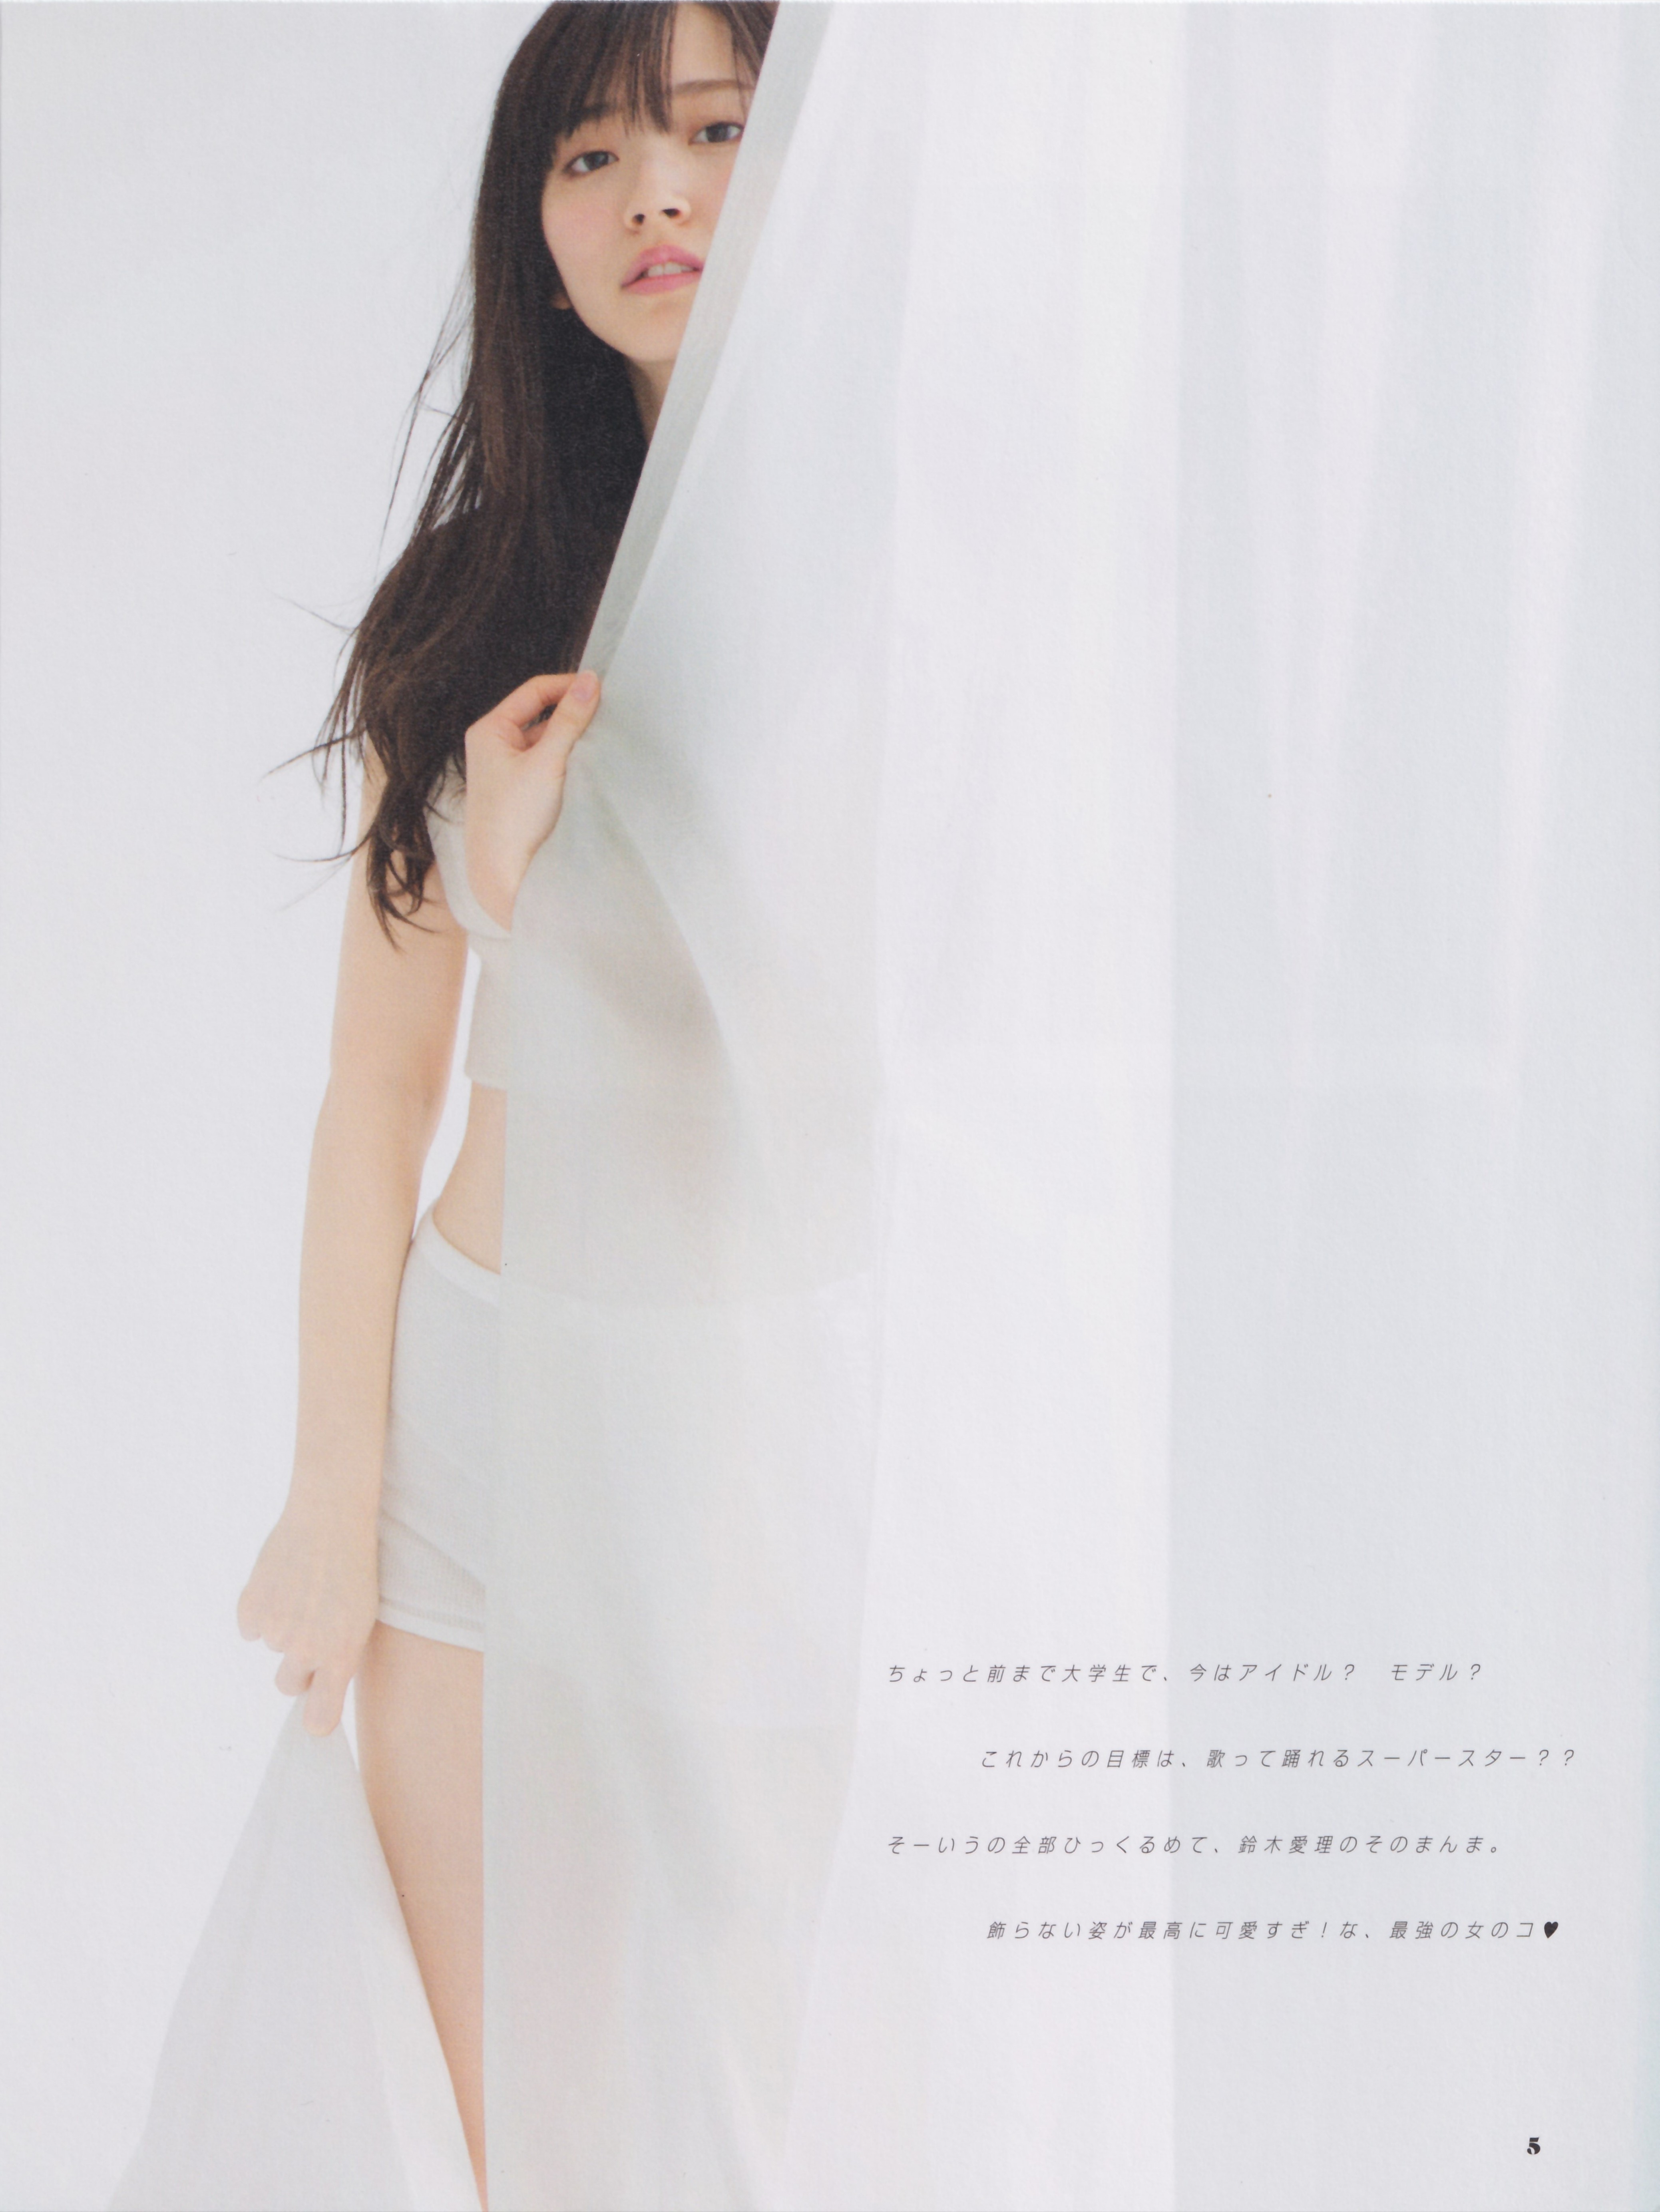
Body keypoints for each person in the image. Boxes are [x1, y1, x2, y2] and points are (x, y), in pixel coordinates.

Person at [233, 7, 777, 2202]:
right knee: (497, 2119)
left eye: (714, 131)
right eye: (589, 157)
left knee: (771, 2083)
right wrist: (330, 1498)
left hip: (773, 1423)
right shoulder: (477, 608)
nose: (656, 195)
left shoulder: (921, 578)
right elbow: (375, 1104)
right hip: (490, 1430)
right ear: (529, 229)